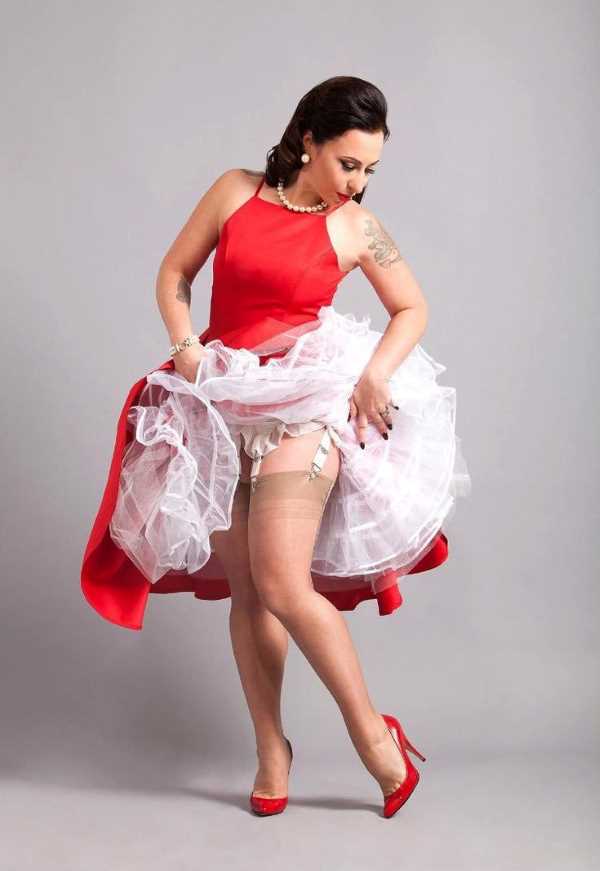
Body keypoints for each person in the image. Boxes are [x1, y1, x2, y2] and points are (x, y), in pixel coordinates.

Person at [81, 76, 470, 818]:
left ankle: (373, 736)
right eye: (347, 163)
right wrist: (186, 347)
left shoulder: (358, 227)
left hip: (305, 400)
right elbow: (174, 274)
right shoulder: (235, 191)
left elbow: (412, 306)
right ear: (307, 140)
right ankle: (271, 750)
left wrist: (374, 375)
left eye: (369, 169)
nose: (356, 182)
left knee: (285, 581)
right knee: (250, 590)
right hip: (221, 399)